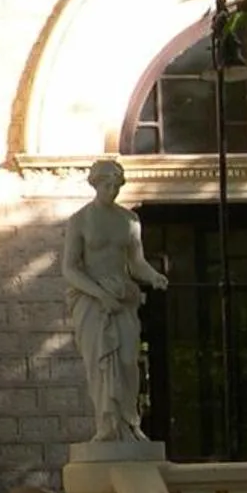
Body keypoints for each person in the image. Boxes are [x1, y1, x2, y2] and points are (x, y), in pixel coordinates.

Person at [62, 159, 169, 442]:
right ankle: (107, 426)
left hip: (123, 298)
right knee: (101, 365)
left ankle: (130, 422)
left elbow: (136, 262)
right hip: (92, 300)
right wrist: (100, 294)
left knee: (127, 361)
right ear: (95, 184)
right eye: (106, 185)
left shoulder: (129, 220)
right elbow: (70, 268)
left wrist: (153, 275)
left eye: (116, 185)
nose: (112, 190)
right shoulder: (80, 220)